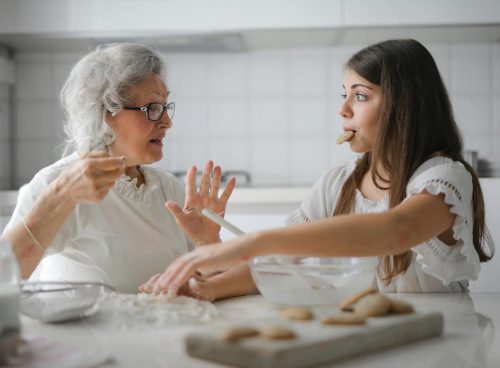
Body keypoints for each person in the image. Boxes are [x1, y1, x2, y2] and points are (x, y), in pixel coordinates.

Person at [142, 39, 494, 296]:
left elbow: (398, 230)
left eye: (360, 95)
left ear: (405, 106)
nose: (343, 110)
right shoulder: (337, 183)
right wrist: (208, 283)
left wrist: (256, 241)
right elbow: (282, 262)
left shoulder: (444, 178)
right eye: (343, 94)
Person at [2, 43, 235, 294]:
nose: (167, 122)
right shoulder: (58, 183)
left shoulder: (167, 189)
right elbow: (4, 276)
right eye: (152, 108)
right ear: (105, 112)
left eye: (165, 107)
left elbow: (208, 287)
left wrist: (207, 243)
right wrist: (60, 197)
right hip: (86, 333)